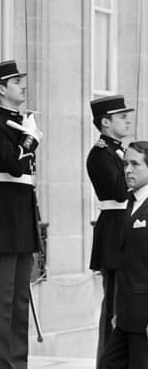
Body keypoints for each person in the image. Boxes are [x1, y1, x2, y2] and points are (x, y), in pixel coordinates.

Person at [0, 60, 43, 369]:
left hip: (22, 213)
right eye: (16, 82)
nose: (22, 86)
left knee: (19, 299)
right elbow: (13, 166)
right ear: (2, 89)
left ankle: (17, 363)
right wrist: (30, 139)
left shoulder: (20, 122)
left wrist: (27, 135)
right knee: (2, 300)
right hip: (4, 215)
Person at [86, 95, 134, 365]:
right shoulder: (100, 153)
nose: (127, 120)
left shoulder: (120, 151)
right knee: (114, 306)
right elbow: (118, 191)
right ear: (105, 122)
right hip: (114, 233)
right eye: (121, 117)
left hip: (125, 230)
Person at [99, 141, 148, 367]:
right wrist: (119, 310)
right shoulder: (130, 202)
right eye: (125, 163)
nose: (127, 170)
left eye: (135, 164)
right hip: (126, 315)